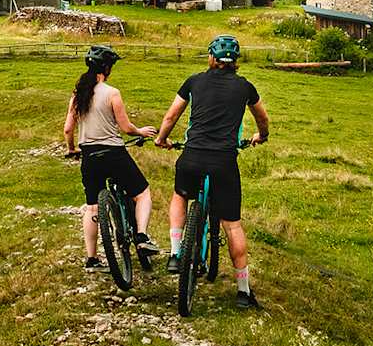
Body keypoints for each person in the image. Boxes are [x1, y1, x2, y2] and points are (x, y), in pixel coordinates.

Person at [156, 34, 270, 309]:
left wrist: (161, 139)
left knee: (180, 195)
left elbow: (171, 115)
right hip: (224, 162)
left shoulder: (194, 81)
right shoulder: (245, 87)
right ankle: (242, 291)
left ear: (211, 57)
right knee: (232, 225)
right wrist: (262, 136)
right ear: (235, 61)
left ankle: (175, 253)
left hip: (192, 155)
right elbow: (262, 118)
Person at [63, 45, 161, 272]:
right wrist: (140, 131)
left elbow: (68, 129)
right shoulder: (112, 93)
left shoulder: (78, 94)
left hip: (89, 155)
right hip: (114, 154)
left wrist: (72, 149)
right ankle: (141, 236)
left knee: (92, 208)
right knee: (142, 193)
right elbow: (126, 127)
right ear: (106, 68)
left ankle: (92, 259)